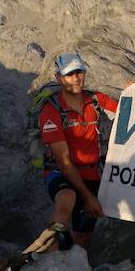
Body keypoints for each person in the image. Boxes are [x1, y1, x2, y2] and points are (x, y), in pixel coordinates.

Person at [31, 52, 121, 250]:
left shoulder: (96, 100)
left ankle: (74, 269)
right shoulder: (51, 111)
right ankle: (47, 248)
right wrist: (88, 197)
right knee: (66, 197)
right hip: (60, 171)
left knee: (83, 237)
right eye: (69, 74)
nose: (76, 78)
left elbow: (128, 109)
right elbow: (63, 162)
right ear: (59, 78)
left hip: (91, 173)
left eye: (79, 72)